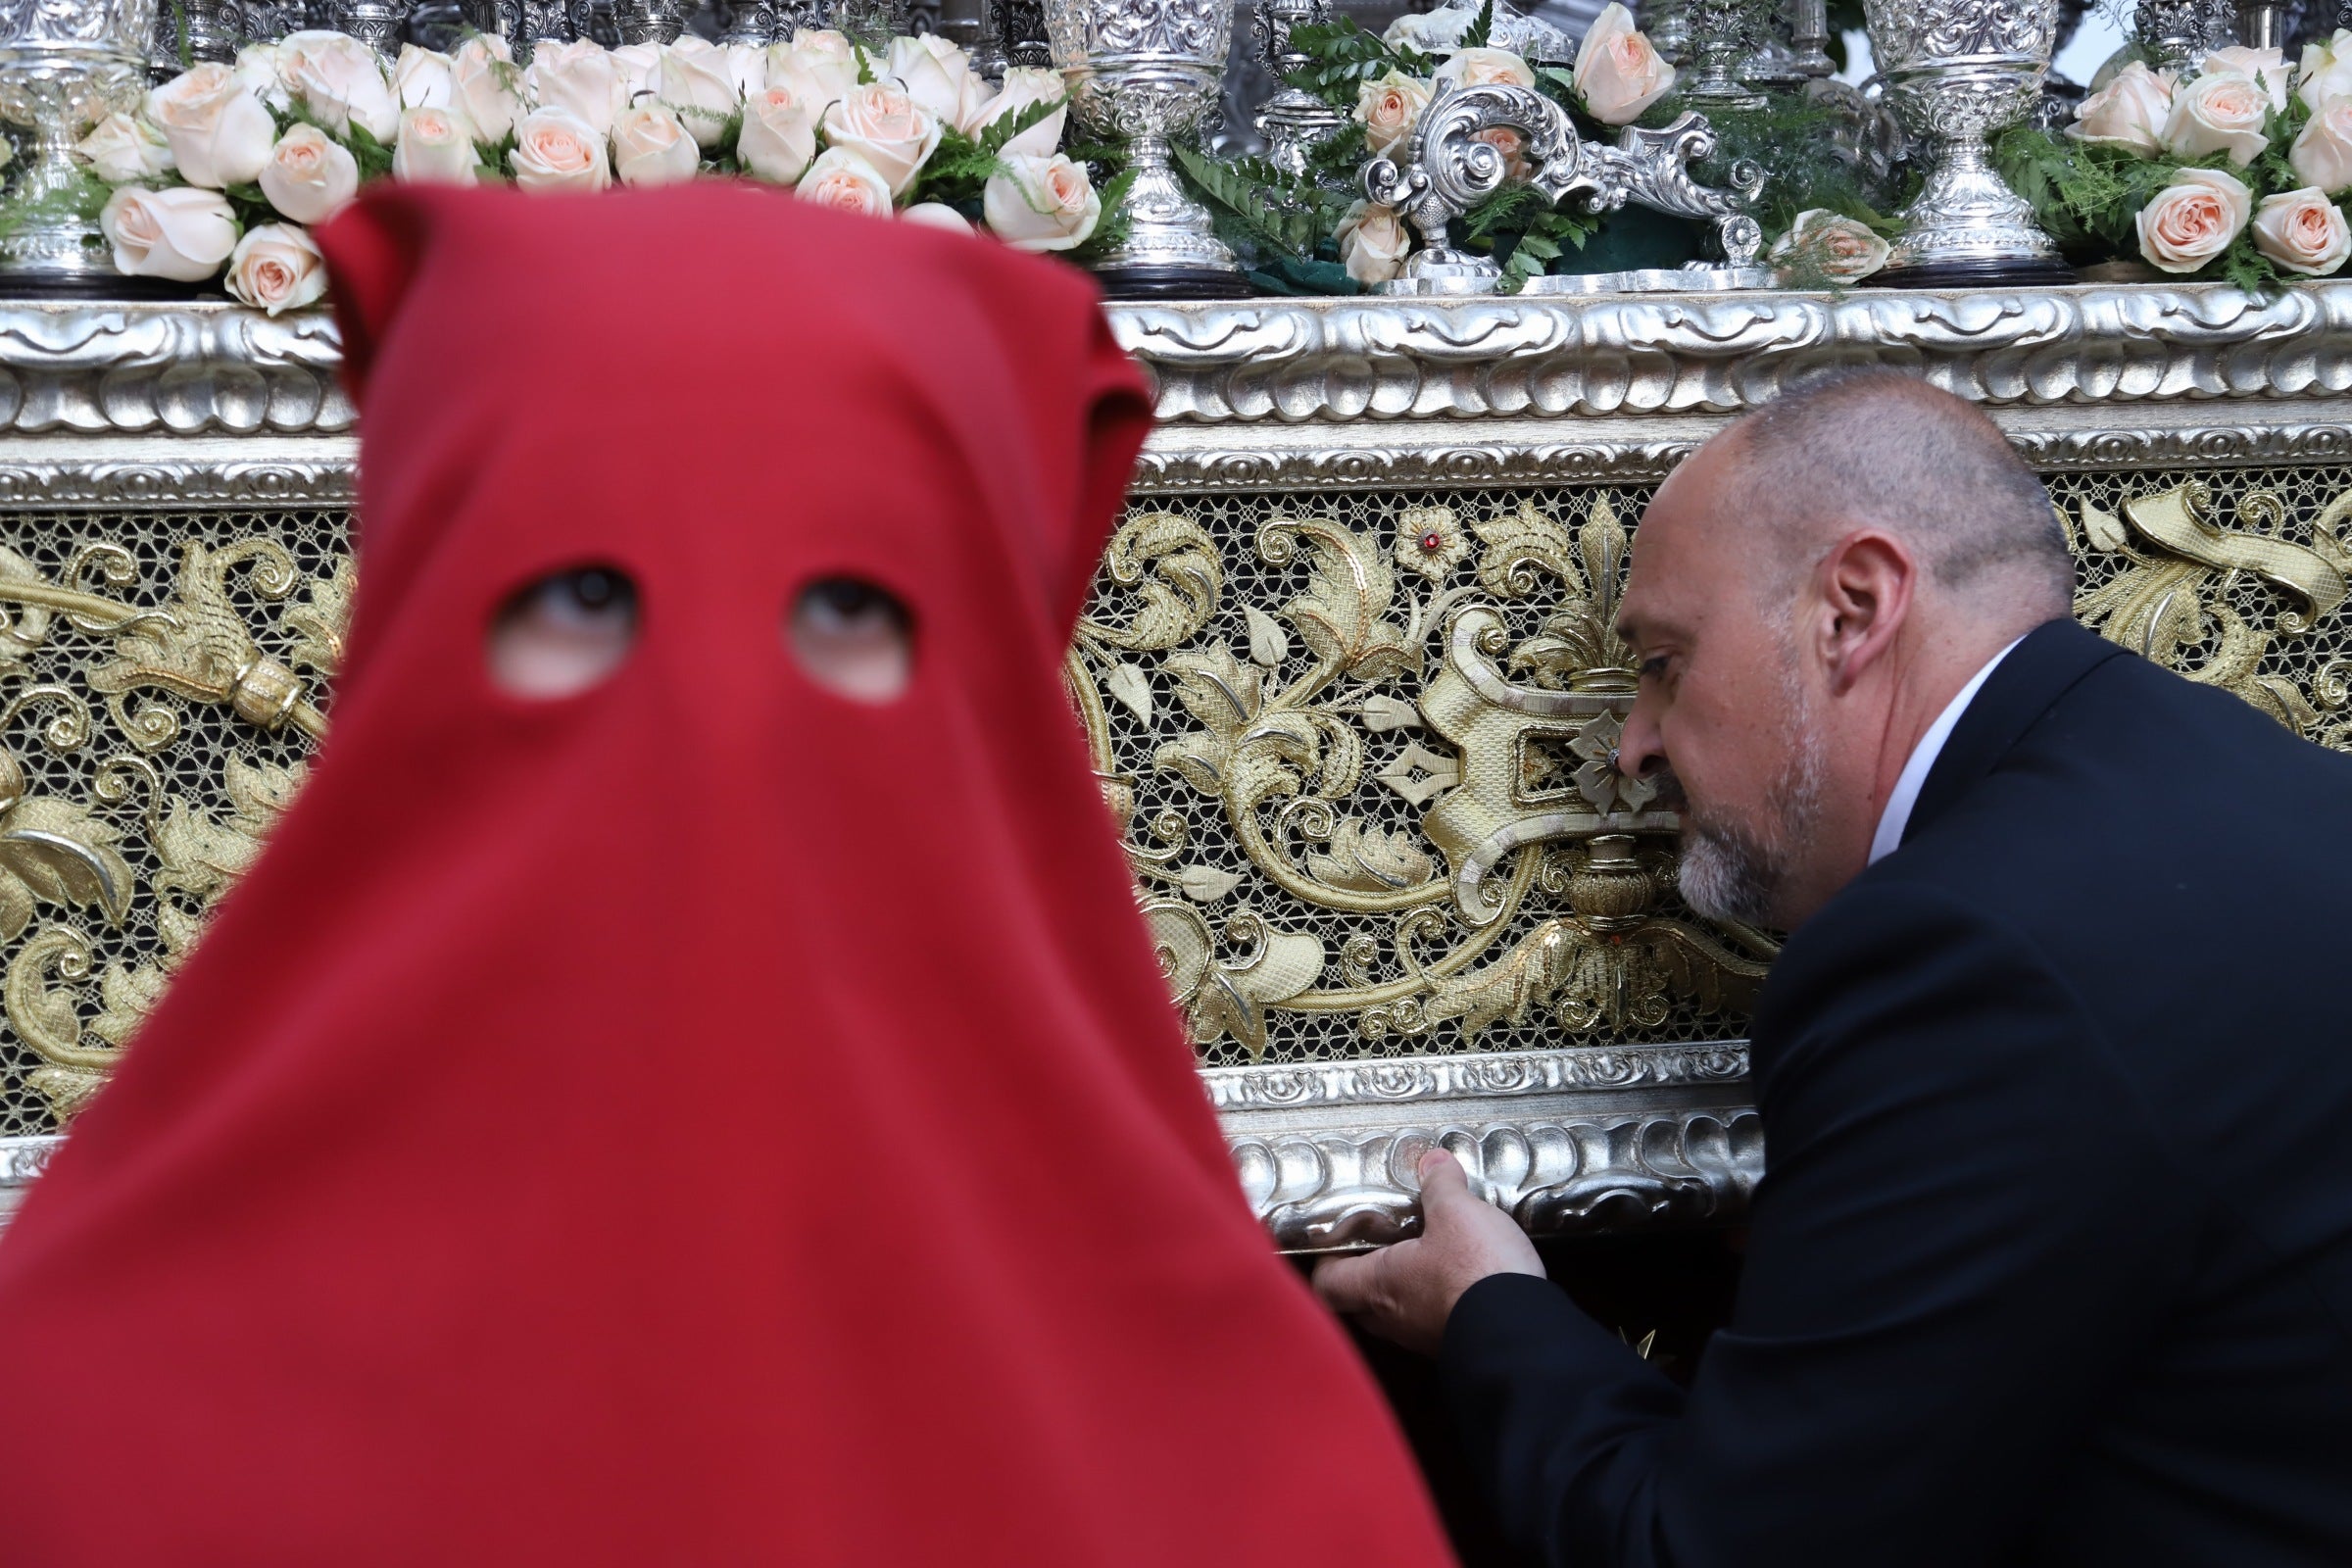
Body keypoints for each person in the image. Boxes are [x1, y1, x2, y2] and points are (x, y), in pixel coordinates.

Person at [0, 184, 1458, 1566]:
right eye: (587, 593)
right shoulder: (74, 1391)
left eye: (846, 605)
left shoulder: (1249, 1447)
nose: (714, 707)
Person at [1315, 367, 2352, 1565]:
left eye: (1664, 661)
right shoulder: (2293, 786)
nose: (1633, 745)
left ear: (1852, 611)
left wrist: (1488, 1313)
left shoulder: (1955, 954)